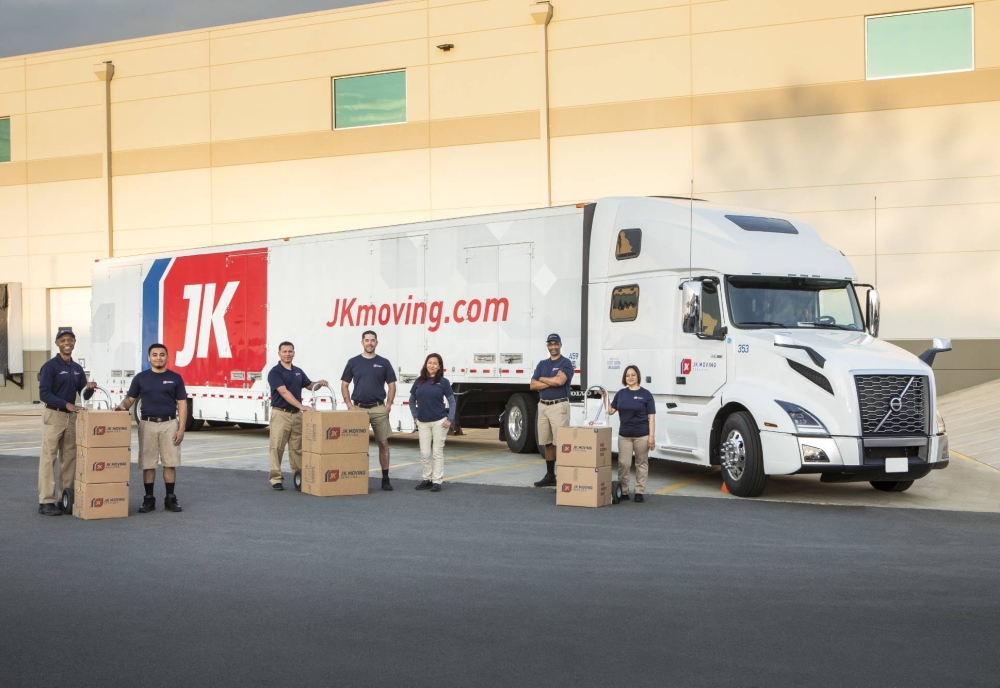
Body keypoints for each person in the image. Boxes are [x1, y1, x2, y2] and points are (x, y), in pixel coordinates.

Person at [116, 343, 188, 513]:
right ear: (149, 358)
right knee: (148, 463)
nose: (158, 357)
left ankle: (170, 498)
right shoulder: (140, 378)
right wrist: (121, 406)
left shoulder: (175, 378)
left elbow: (182, 405)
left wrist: (181, 428)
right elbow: (130, 399)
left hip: (170, 424)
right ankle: (149, 499)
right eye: (154, 355)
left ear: (167, 357)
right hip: (147, 424)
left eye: (162, 354)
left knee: (170, 462)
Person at [37, 328, 96, 515]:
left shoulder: (77, 369)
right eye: (63, 340)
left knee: (70, 457)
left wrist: (90, 389)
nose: (67, 343)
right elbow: (44, 394)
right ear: (57, 343)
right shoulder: (50, 366)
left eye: (70, 340)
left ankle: (65, 497)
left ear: (74, 342)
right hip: (54, 415)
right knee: (49, 458)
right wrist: (66, 404)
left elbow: (83, 394)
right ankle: (46, 501)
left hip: (71, 418)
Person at [266, 341, 328, 491]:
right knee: (277, 447)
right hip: (281, 414)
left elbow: (309, 385)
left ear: (294, 353)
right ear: (279, 353)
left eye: (290, 351)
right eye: (284, 351)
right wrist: (301, 406)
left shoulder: (298, 371)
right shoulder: (275, 372)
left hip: (297, 416)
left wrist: (319, 383)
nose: (287, 354)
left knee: (298, 448)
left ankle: (299, 477)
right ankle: (276, 479)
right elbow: (284, 393)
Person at [341, 330, 397, 491]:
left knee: (383, 443)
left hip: (378, 408)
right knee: (356, 445)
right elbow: (344, 384)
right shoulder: (353, 362)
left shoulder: (384, 363)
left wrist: (388, 406)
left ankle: (385, 479)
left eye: (373, 340)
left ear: (376, 343)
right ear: (362, 342)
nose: (370, 343)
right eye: (367, 340)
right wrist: (349, 406)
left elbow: (391, 385)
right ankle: (355, 478)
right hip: (358, 409)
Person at [530, 333, 575, 487]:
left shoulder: (566, 363)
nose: (553, 347)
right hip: (543, 406)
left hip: (558, 406)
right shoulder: (542, 364)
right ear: (547, 346)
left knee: (561, 444)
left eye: (556, 344)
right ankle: (550, 476)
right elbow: (532, 385)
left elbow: (560, 381)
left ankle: (564, 479)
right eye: (550, 344)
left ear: (561, 345)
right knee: (547, 443)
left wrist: (542, 379)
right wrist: (551, 381)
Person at [608, 365, 656, 503]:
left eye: (633, 375)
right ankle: (623, 491)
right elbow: (611, 411)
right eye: (627, 375)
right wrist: (605, 396)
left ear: (638, 377)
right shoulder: (621, 393)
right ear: (624, 378)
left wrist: (651, 437)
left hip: (642, 435)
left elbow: (651, 417)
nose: (630, 377)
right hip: (624, 436)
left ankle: (639, 491)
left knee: (641, 463)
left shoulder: (646, 394)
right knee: (624, 463)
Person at [408, 353, 456, 493]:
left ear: (440, 366)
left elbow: (452, 401)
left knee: (437, 452)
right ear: (425, 364)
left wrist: (449, 419)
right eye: (430, 363)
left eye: (435, 363)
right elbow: (412, 400)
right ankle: (427, 479)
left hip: (439, 422)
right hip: (422, 422)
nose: (432, 365)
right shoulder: (419, 381)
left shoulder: (444, 382)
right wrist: (415, 417)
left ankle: (437, 481)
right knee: (424, 452)